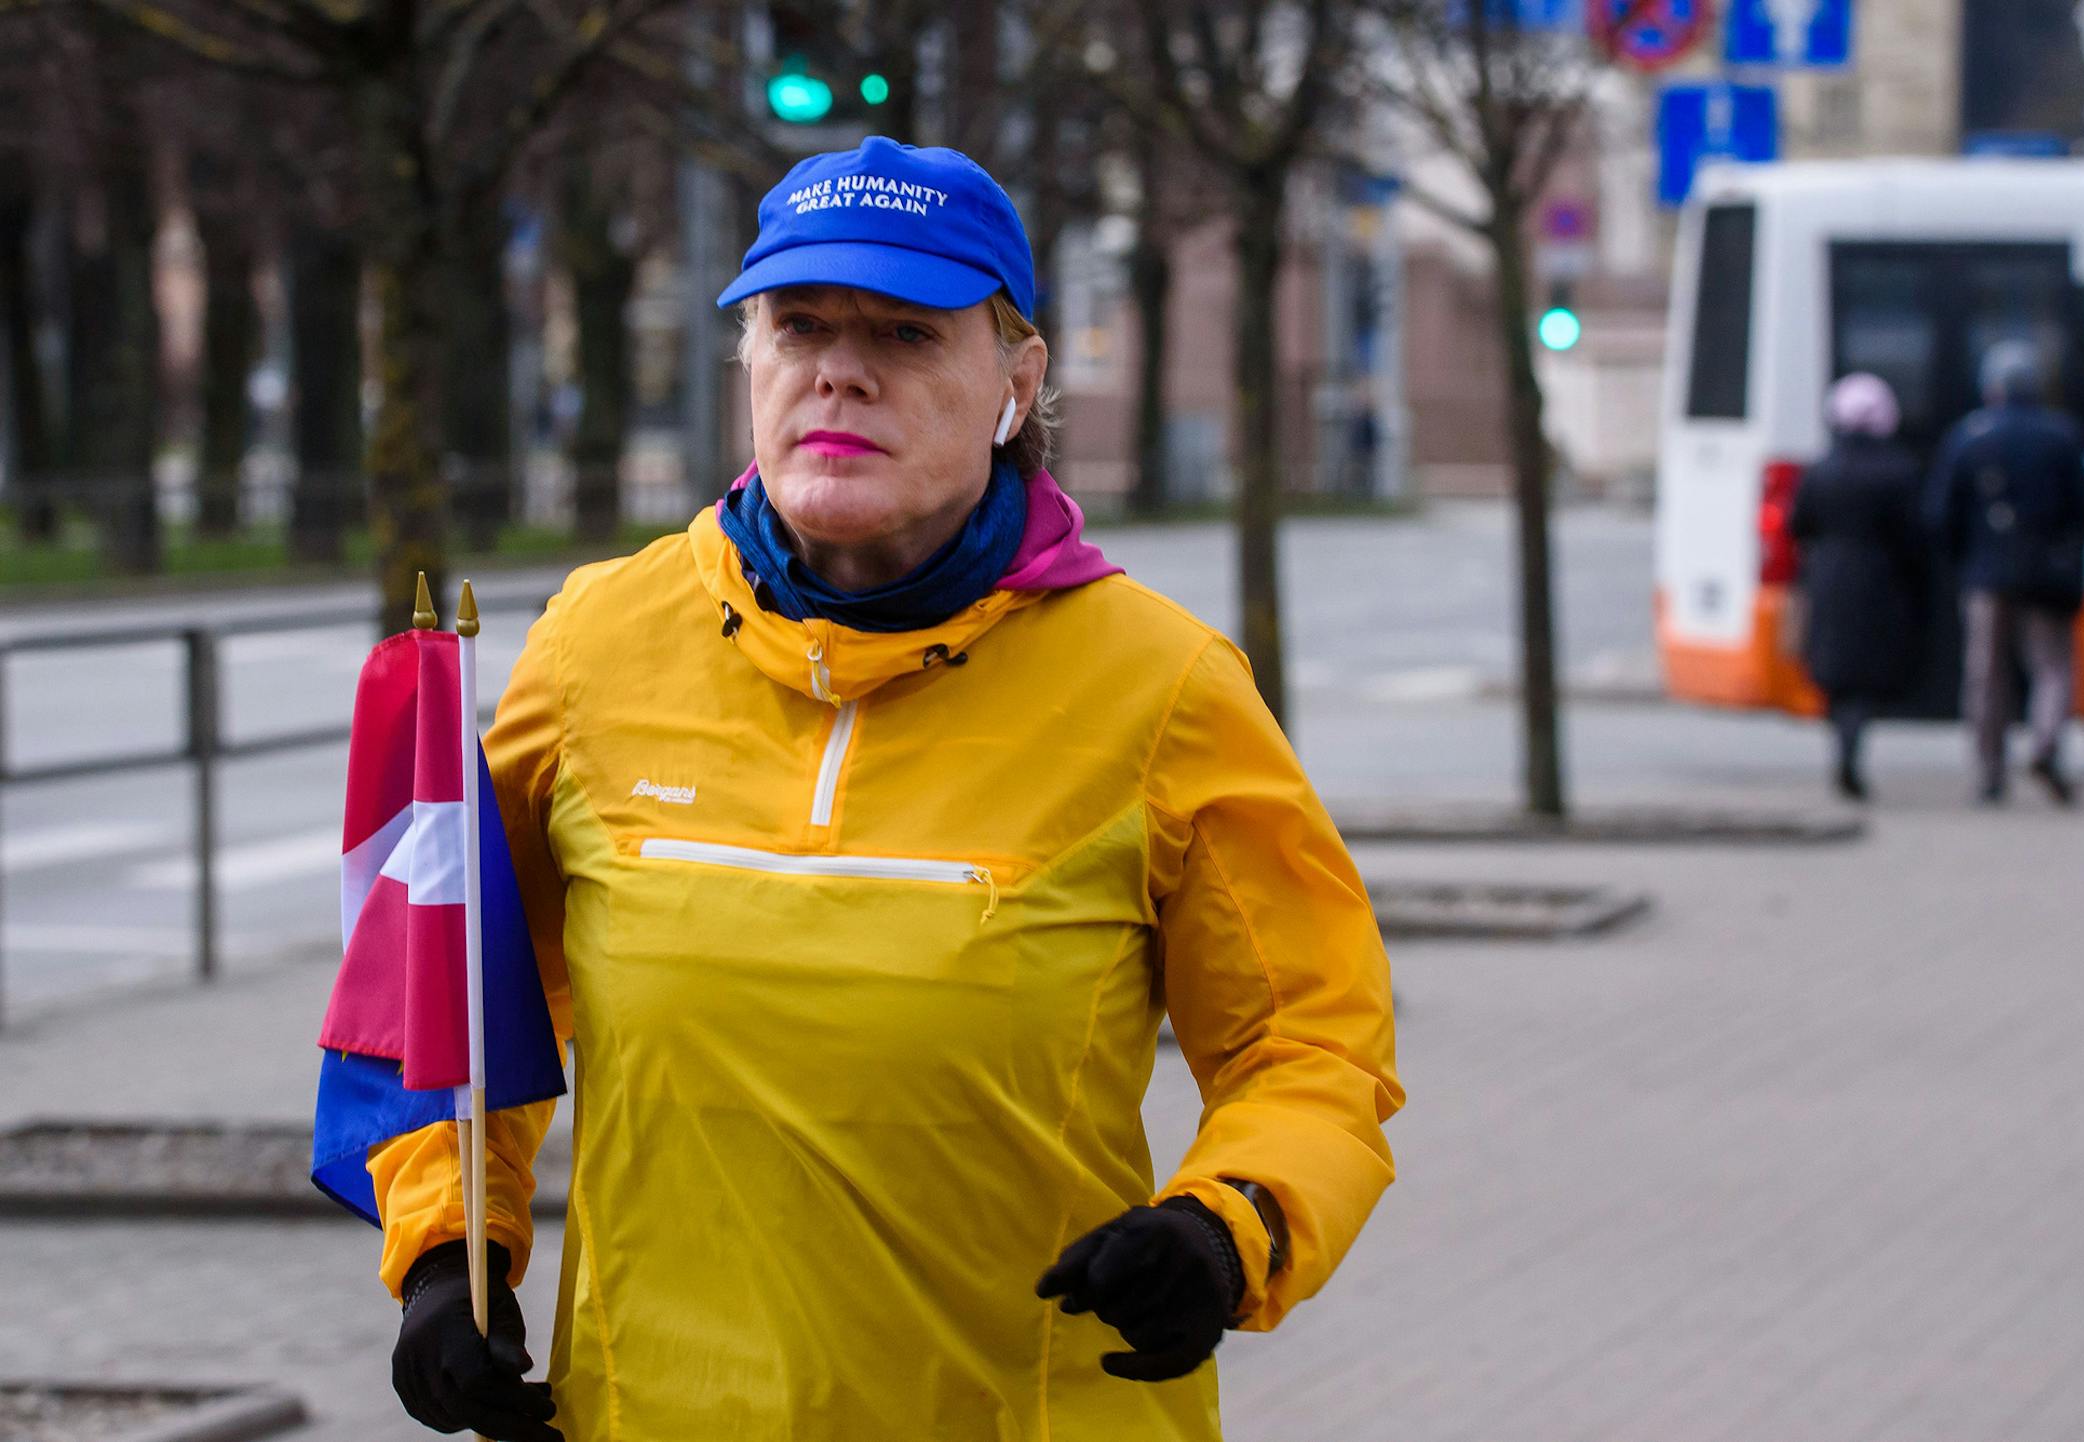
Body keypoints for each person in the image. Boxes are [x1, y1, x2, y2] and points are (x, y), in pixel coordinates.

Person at [367, 136, 1403, 1441]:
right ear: (747, 360)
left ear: (1015, 384)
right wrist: (445, 1253)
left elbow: (1310, 1048)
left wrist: (1230, 1221)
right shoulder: (596, 647)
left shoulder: (1165, 688)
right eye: (798, 324)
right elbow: (455, 1001)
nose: (838, 369)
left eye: (907, 335)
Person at [1927, 339, 2084, 805]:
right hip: (2047, 573)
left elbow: (1942, 514)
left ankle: (1989, 769)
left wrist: (1965, 559)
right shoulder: (2060, 435)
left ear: (1992, 388)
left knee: (1986, 672)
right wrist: (2066, 548)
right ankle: (2045, 745)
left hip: (1986, 573)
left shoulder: (1969, 436)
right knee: (2051, 667)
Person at [1790, 373, 1927, 801]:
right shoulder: (1898, 470)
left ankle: (1844, 746)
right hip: (1878, 579)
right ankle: (1851, 747)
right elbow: (1914, 535)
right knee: (1864, 671)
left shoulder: (1822, 469)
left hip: (1828, 575)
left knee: (1836, 669)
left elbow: (1798, 525)